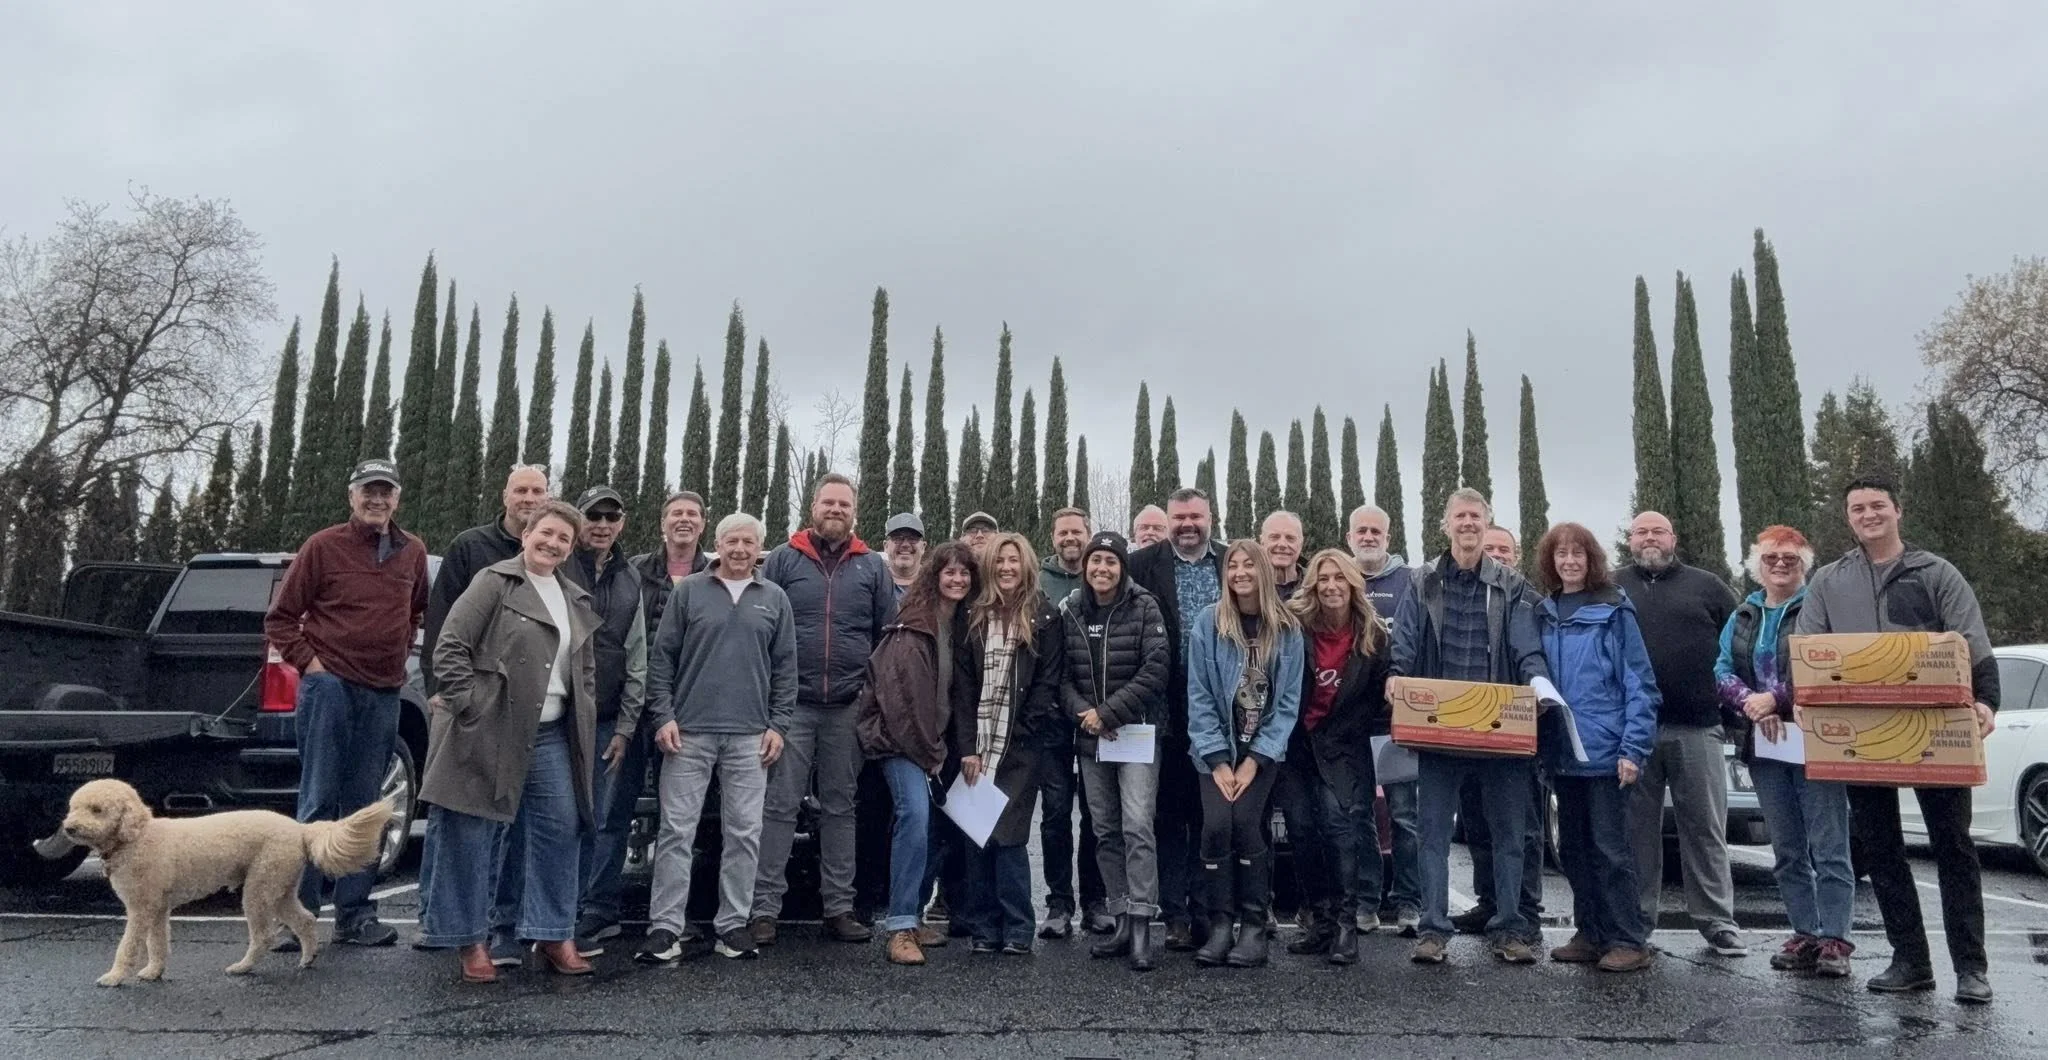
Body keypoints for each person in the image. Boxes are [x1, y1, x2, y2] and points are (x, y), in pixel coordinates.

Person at [1796, 476, 1999, 1004]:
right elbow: (1807, 647)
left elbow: (1971, 640)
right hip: (1860, 732)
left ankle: (1972, 968)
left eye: (1877, 505)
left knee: (1953, 847)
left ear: (1897, 511)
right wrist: (1802, 697)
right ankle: (1910, 961)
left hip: (1937, 727)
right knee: (1882, 851)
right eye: (1858, 508)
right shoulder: (1828, 581)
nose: (1868, 514)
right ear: (1848, 518)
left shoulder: (1935, 573)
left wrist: (1987, 701)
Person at [419, 501, 598, 983]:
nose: (553, 543)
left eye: (563, 538)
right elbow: (450, 647)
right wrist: (472, 705)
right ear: (527, 533)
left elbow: (582, 668)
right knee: (472, 834)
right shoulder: (493, 582)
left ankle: (553, 931)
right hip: (491, 728)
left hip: (554, 734)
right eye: (546, 533)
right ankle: (470, 940)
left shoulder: (574, 597)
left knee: (561, 829)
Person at [263, 458, 428, 950]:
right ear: (351, 496)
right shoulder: (322, 546)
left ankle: (355, 914)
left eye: (386, 492)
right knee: (319, 800)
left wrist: (398, 650)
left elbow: (417, 610)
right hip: (329, 688)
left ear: (397, 498)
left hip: (383, 691)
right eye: (368, 491)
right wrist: (314, 667)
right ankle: (302, 914)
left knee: (367, 806)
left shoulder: (413, 552)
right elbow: (281, 620)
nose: (377, 500)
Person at [1390, 488, 1551, 966]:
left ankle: (1509, 928)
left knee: (1509, 835)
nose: (1468, 523)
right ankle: (1434, 930)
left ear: (1486, 523)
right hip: (1438, 729)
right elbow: (1403, 641)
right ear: (1446, 524)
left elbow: (1527, 648)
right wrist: (1395, 677)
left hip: (1500, 729)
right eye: (1459, 515)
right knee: (1433, 835)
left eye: (1475, 516)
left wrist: (1537, 684)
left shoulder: (1511, 585)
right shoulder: (1422, 584)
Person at [632, 513, 796, 965]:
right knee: (676, 832)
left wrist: (778, 725)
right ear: (717, 545)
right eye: (731, 541)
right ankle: (665, 928)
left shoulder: (774, 599)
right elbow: (661, 659)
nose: (739, 549)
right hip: (688, 734)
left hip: (750, 738)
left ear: (759, 547)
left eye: (748, 541)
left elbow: (786, 670)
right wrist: (662, 716)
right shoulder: (689, 593)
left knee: (744, 832)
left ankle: (732, 925)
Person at [751, 473, 896, 946]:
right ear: (812, 506)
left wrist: (870, 695)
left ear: (854, 510)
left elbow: (884, 636)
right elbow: (761, 628)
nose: (835, 510)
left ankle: (839, 907)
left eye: (844, 503)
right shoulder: (782, 559)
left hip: (847, 707)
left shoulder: (872, 566)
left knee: (840, 807)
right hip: (791, 706)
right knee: (779, 806)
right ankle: (764, 910)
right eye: (828, 502)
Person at [1715, 526, 1853, 980]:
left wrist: (1778, 700)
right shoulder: (1743, 614)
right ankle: (1804, 933)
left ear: (1804, 563)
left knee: (1829, 845)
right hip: (1766, 742)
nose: (1780, 564)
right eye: (1771, 557)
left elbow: (1833, 667)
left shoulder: (1821, 606)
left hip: (1818, 739)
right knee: (1788, 848)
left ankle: (1835, 937)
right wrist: (1752, 705)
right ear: (1757, 562)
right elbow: (1719, 670)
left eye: (1789, 557)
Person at [1614, 510, 1746, 958]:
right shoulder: (1612, 587)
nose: (1649, 538)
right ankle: (1636, 922)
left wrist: (1737, 715)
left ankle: (1717, 922)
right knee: (1636, 833)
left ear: (1673, 538)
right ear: (1629, 540)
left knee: (1705, 828)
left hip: (1698, 727)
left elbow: (1738, 645)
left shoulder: (1708, 587)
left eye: (1658, 531)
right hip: (1632, 733)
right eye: (1641, 532)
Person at [1532, 522, 1658, 973]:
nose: (1569, 562)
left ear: (1591, 560)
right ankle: (1590, 932)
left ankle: (1629, 938)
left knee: (1610, 849)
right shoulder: (1543, 612)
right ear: (1551, 561)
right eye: (1561, 555)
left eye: (1577, 554)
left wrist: (1633, 748)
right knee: (1575, 850)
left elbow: (1640, 683)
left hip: (1606, 754)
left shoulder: (1614, 610)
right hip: (1562, 756)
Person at [856, 542, 980, 965]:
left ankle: (915, 914)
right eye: (950, 572)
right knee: (914, 818)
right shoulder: (914, 623)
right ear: (934, 575)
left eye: (965, 573)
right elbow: (903, 701)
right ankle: (900, 928)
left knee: (935, 830)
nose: (958, 579)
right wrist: (930, 754)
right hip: (901, 741)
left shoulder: (957, 624)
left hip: (934, 744)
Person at [1185, 540, 1304, 969]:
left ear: (1263, 572)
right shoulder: (1208, 623)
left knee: (1247, 824)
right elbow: (1198, 694)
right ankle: (1220, 925)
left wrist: (1254, 760)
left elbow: (1288, 702)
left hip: (1262, 753)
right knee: (1216, 826)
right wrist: (1218, 760)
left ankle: (1254, 927)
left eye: (1248, 565)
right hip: (1214, 750)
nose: (1239, 572)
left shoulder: (1287, 628)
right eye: (1232, 565)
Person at [1060, 531, 1171, 971]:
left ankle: (1143, 923)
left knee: (1137, 827)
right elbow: (1061, 675)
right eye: (1095, 561)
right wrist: (1085, 714)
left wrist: (1108, 713)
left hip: (1137, 735)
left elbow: (1155, 669)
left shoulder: (1144, 606)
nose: (1102, 568)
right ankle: (1121, 916)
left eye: (1111, 561)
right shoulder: (1070, 609)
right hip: (1091, 738)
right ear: (1085, 566)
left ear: (1122, 567)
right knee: (1104, 829)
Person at [1275, 549, 1392, 963]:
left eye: (1338, 578)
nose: (1330, 586)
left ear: (1353, 584)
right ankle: (1320, 921)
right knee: (1302, 831)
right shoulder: (1294, 628)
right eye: (1323, 579)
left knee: (1340, 831)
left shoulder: (1373, 636)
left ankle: (1346, 925)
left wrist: (1397, 687)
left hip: (1344, 748)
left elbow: (1387, 685)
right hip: (1297, 747)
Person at [1125, 487, 1228, 951]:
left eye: (1196, 517)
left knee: (1209, 815)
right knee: (1167, 816)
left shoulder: (1230, 563)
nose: (1188, 525)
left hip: (1218, 711)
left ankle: (1207, 908)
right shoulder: (1141, 565)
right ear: (1168, 521)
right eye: (1180, 517)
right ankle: (1176, 914)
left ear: (1211, 518)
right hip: (1162, 708)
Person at [958, 533, 1066, 955]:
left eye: (1014, 560)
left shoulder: (1044, 616)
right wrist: (968, 745)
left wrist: (1022, 733)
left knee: (1008, 834)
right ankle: (985, 928)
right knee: (975, 834)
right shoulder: (973, 615)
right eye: (1000, 560)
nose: (1006, 567)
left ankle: (1019, 927)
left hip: (1021, 745)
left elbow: (1047, 683)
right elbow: (963, 686)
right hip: (977, 745)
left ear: (1026, 566)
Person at [561, 487, 648, 954]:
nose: (602, 523)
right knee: (561, 818)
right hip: (558, 718)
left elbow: (638, 659)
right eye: (593, 515)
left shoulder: (631, 578)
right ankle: (556, 912)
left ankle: (597, 911)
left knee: (608, 820)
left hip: (611, 719)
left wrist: (626, 728)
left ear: (622, 522)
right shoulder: (556, 565)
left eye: (611, 516)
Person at [1452, 522, 1545, 939]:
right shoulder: (1466, 598)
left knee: (1520, 827)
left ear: (1516, 556)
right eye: (1491, 550)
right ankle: (1489, 902)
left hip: (1514, 732)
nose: (1498, 556)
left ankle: (1525, 909)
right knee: (1477, 821)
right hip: (1468, 729)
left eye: (1505, 550)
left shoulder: (1529, 600)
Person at [1035, 507, 1109, 938]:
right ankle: (1059, 903)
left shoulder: (1104, 578)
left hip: (1096, 714)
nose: (1070, 539)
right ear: (1054, 536)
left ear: (1088, 536)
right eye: (1063, 532)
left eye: (1077, 532)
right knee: (1056, 812)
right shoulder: (1039, 581)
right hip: (1051, 717)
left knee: (1097, 813)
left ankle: (1095, 901)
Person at [1348, 503, 1421, 933]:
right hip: (1355, 723)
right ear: (1349, 536)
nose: (1369, 537)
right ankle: (1366, 902)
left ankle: (1410, 902)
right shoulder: (1339, 577)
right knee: (1360, 816)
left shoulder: (1410, 581)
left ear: (1388, 537)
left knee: (1405, 816)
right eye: (1362, 530)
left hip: (1401, 720)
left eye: (1377, 530)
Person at [424, 465, 553, 690]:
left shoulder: (557, 556)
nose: (529, 499)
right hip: (472, 687)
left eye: (537, 491)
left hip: (533, 692)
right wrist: (438, 688)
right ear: (505, 497)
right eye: (521, 491)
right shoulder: (469, 546)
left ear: (548, 498)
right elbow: (439, 619)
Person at [1259, 511, 1305, 598]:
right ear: (1262, 542)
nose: (1282, 544)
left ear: (1301, 544)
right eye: (1274, 537)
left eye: (1290, 538)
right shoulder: (1248, 587)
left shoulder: (1315, 585)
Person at [884, 512, 928, 597]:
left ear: (923, 547)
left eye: (913, 538)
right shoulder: (873, 583)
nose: (905, 545)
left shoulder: (937, 584)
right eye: (898, 538)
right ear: (886, 546)